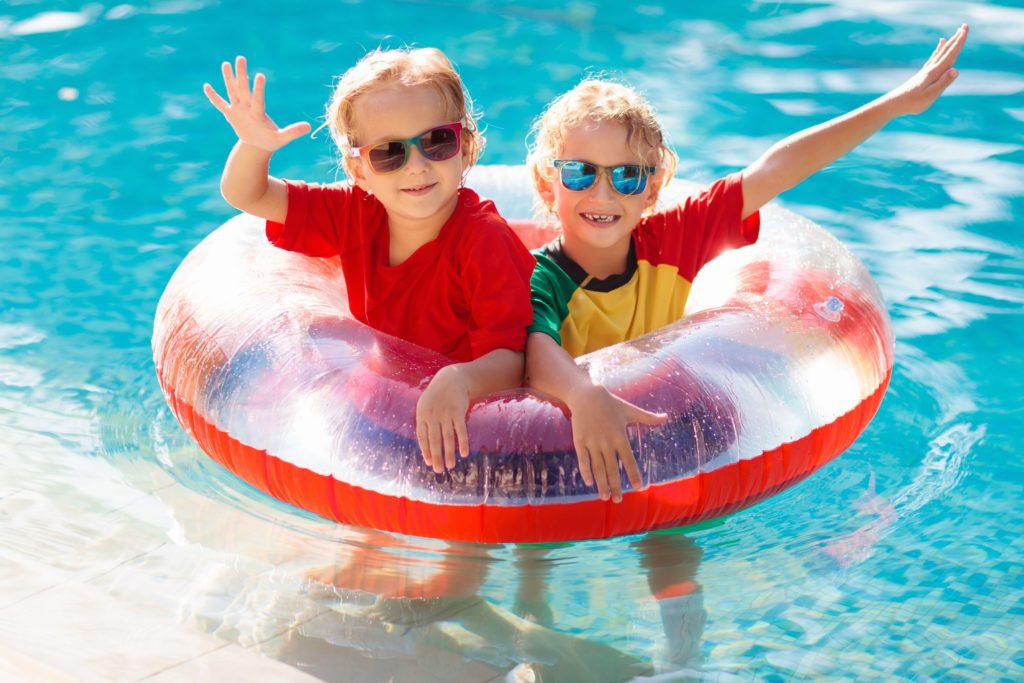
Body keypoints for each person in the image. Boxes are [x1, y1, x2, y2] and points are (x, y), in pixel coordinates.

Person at [524, 25, 969, 503]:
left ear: (653, 188)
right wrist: (582, 394)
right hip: (560, 447)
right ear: (549, 183)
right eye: (580, 172)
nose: (602, 194)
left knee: (676, 551)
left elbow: (775, 169)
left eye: (627, 177)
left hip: (661, 436)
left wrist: (894, 104)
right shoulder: (538, 277)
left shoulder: (675, 238)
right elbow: (536, 350)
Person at [202, 48, 536, 474]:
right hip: (392, 409)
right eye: (389, 154)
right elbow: (247, 195)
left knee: (465, 544)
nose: (416, 166)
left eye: (437, 141)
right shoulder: (354, 213)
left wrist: (459, 380)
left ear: (466, 148)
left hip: (476, 425)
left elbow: (515, 359)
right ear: (359, 170)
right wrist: (253, 146)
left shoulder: (484, 241)